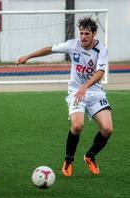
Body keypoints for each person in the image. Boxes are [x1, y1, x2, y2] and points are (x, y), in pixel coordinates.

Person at [16, 17, 113, 177]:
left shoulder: (101, 50)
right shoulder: (73, 45)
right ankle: (68, 160)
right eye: (81, 33)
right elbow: (49, 49)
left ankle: (90, 156)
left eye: (87, 33)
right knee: (77, 126)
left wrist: (85, 87)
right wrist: (28, 56)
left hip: (94, 92)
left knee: (107, 129)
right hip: (76, 91)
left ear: (94, 34)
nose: (83, 37)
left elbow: (100, 72)